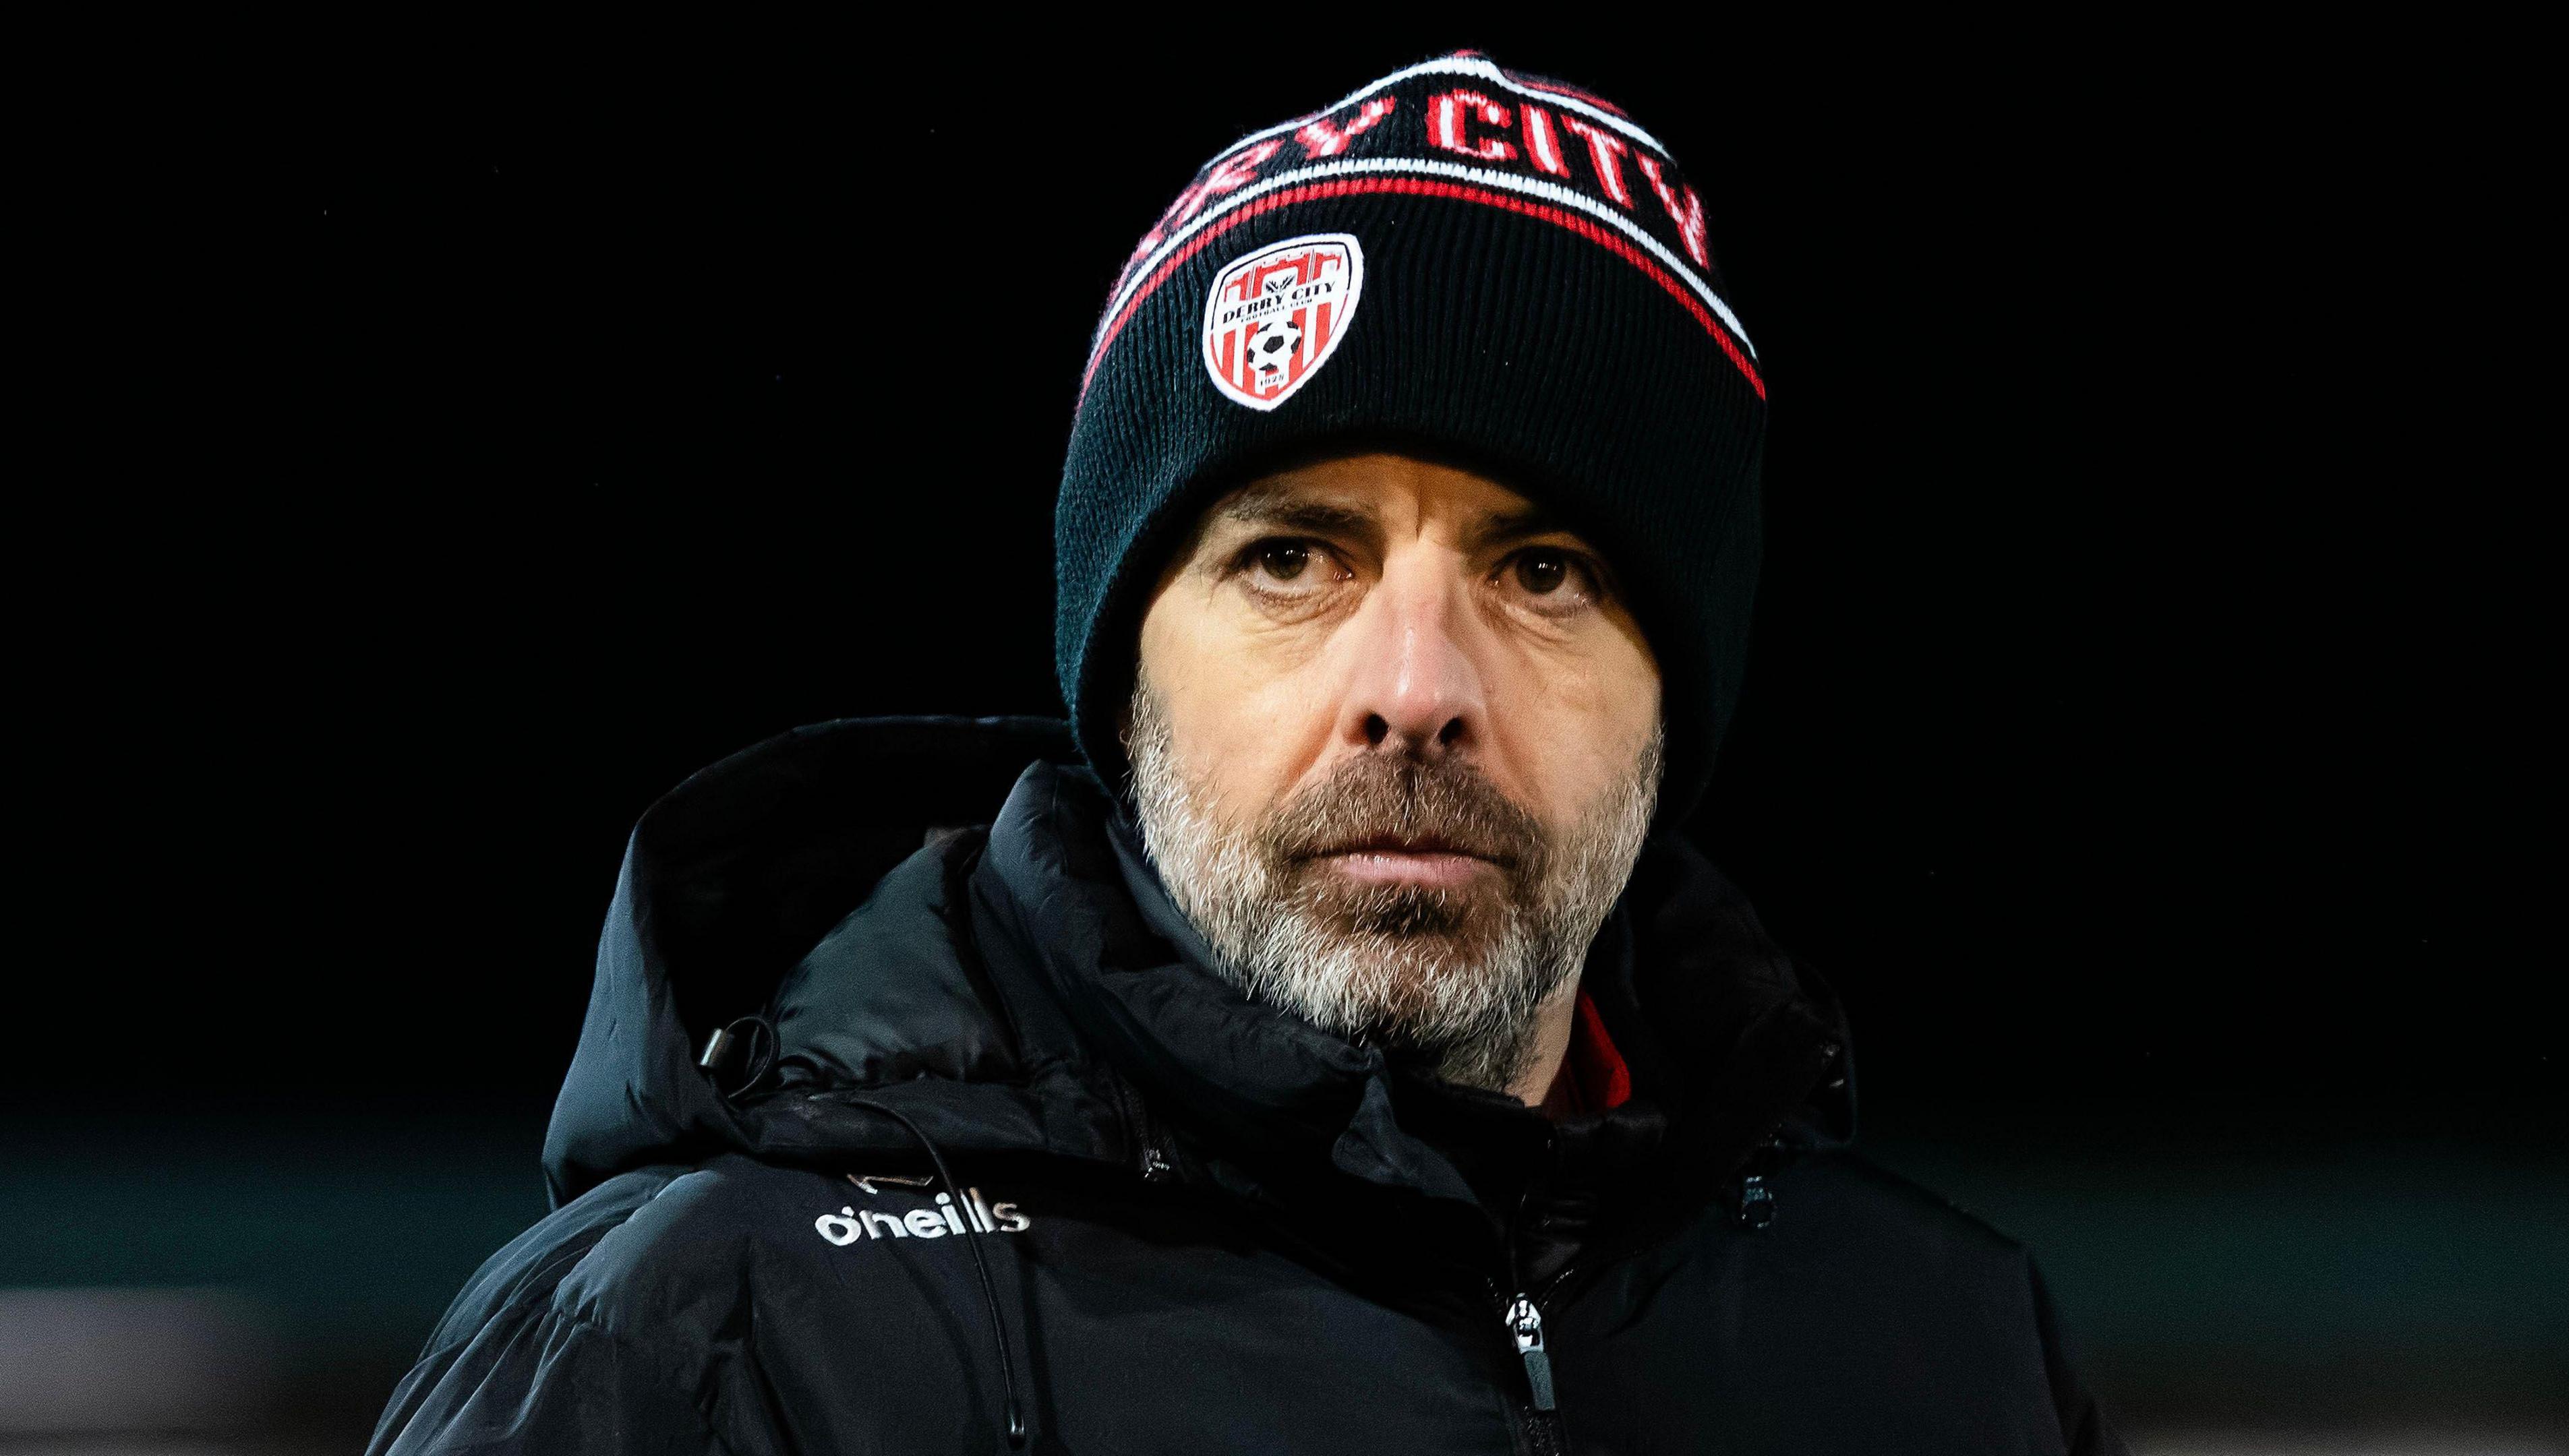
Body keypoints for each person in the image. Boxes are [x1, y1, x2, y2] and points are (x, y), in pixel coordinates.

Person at [371, 53, 2124, 1456]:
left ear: (1676, 693)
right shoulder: (711, 1341)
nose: (1417, 685)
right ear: (1125, 680)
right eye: (1294, 558)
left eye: (1544, 571)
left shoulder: (1940, 1349)